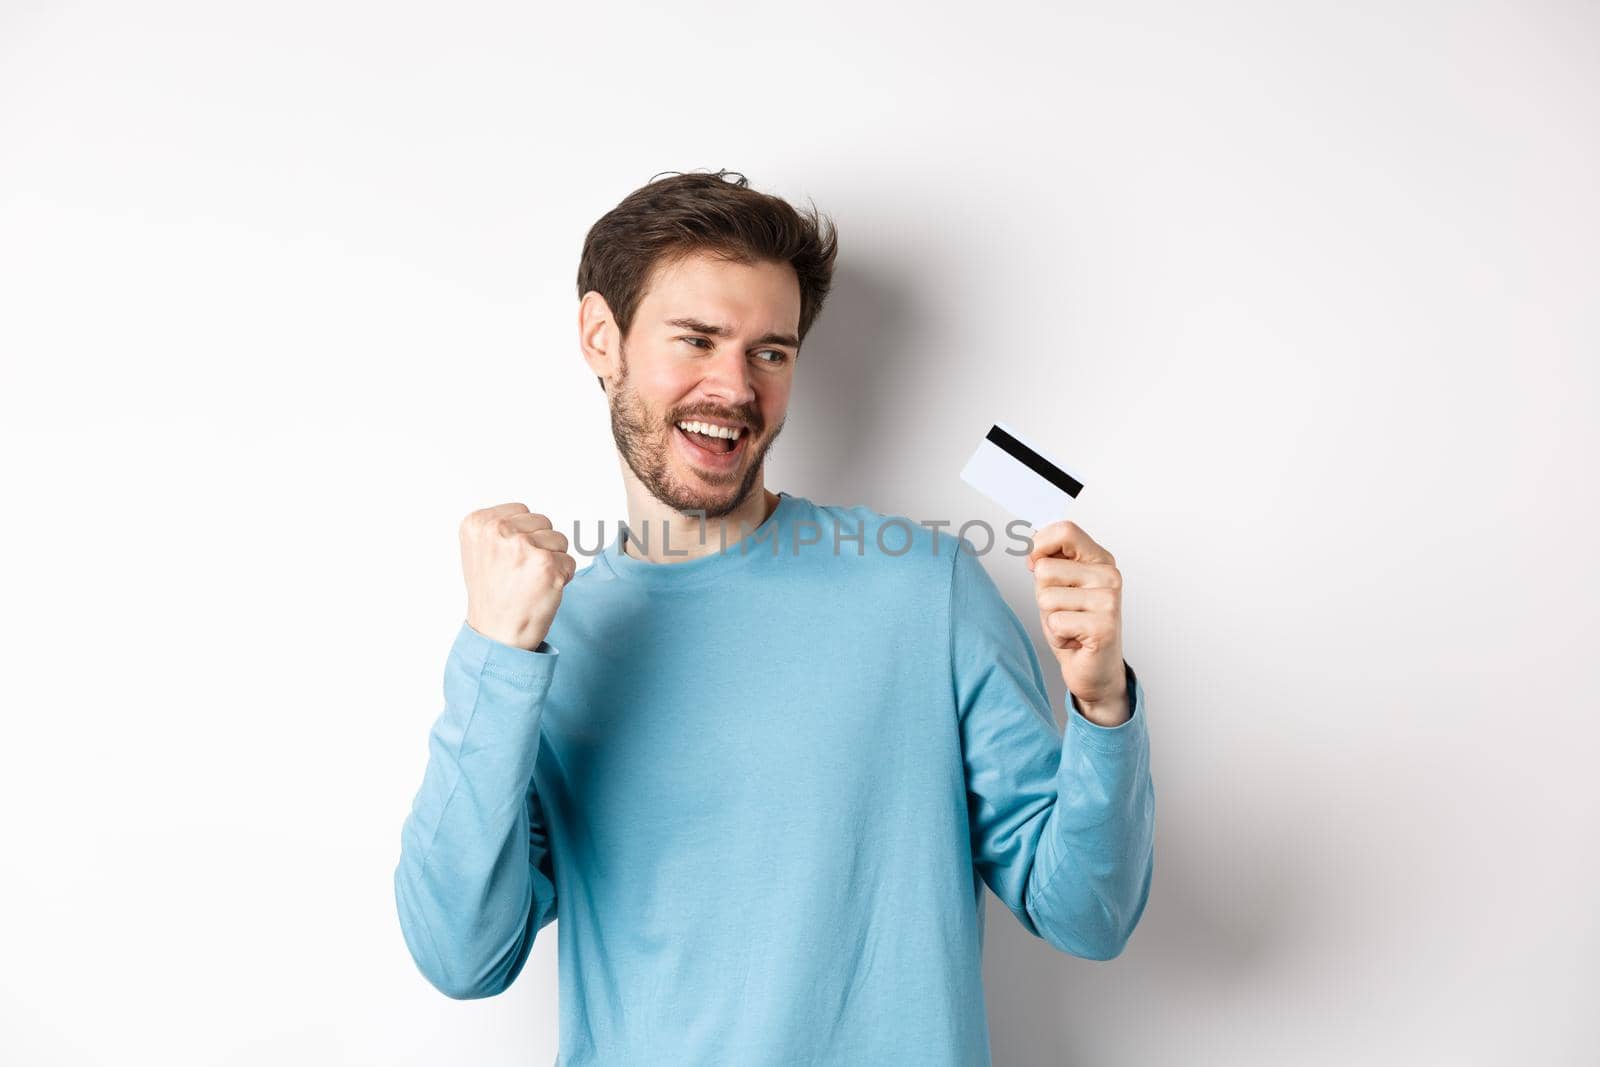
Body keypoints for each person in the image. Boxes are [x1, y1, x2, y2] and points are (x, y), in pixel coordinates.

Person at [393, 169, 1155, 1066]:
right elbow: (462, 956)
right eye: (698, 339)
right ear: (604, 338)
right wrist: (493, 654)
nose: (737, 387)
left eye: (771, 352)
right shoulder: (544, 642)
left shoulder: (924, 589)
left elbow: (1088, 915)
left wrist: (1102, 706)